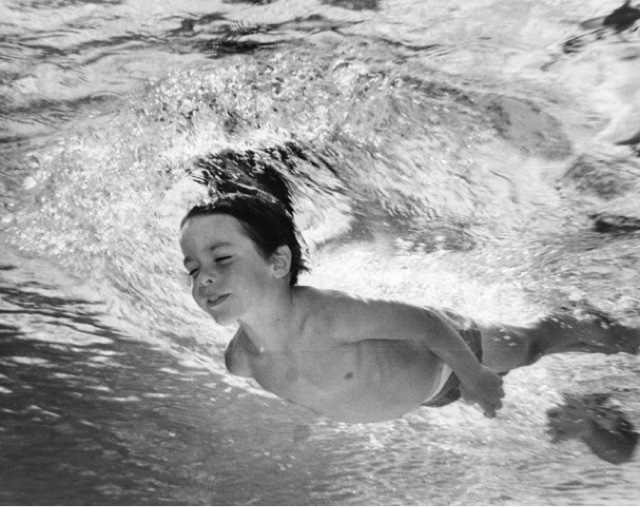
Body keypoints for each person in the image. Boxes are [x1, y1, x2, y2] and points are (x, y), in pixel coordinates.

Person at [179, 190, 640, 427]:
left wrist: (476, 376)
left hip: (454, 352)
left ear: (278, 262)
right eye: (193, 268)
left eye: (222, 259)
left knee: (534, 346)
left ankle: (593, 323)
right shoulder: (242, 362)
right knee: (543, 356)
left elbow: (425, 323)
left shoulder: (327, 316)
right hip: (427, 394)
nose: (204, 278)